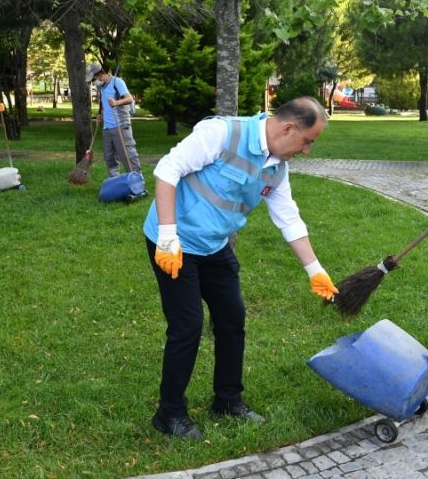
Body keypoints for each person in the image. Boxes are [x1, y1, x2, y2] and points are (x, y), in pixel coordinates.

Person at [143, 96, 339, 439]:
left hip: (215, 245)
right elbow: (167, 169)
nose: (307, 150)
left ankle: (228, 400)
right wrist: (167, 236)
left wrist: (315, 271)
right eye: (307, 141)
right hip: (175, 242)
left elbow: (288, 218)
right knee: (188, 326)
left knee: (232, 318)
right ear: (289, 128)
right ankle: (169, 413)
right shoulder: (223, 133)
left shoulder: (277, 167)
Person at [84, 63, 144, 188]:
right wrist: (100, 114)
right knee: (110, 158)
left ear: (100, 75)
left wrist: (116, 102)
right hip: (107, 128)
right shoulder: (103, 87)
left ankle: (138, 183)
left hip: (121, 125)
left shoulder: (118, 82)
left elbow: (129, 99)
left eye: (94, 79)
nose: (94, 83)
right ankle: (115, 182)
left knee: (128, 156)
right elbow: (105, 103)